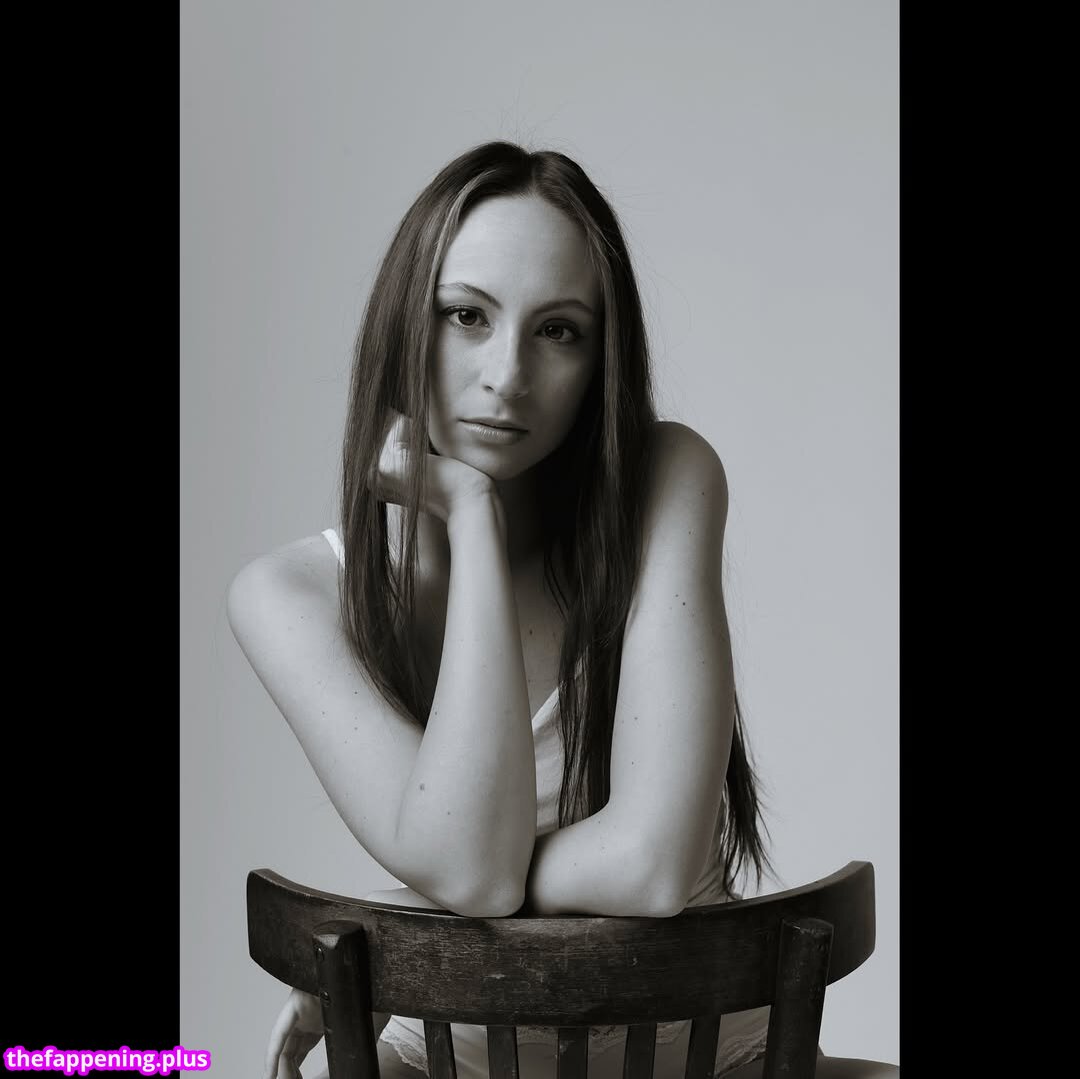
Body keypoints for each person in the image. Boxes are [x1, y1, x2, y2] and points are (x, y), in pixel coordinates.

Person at [228, 141, 896, 1079]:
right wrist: (469, 513)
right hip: (448, 1064)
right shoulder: (289, 596)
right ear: (403, 323)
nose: (507, 373)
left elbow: (651, 867)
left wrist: (404, 925)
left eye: (558, 330)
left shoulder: (669, 479)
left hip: (724, 1059)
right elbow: (475, 868)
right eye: (466, 315)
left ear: (598, 361)